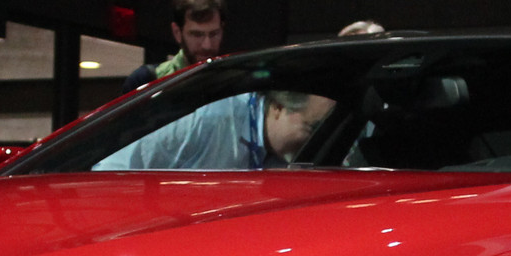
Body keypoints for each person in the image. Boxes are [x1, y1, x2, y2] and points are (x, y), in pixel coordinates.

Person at [94, 90, 336, 170]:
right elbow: (113, 169)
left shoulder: (276, 158)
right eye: (311, 127)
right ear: (278, 108)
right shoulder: (206, 118)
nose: (317, 138)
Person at [122, 0, 227, 90]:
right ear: (177, 33)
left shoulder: (234, 84)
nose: (207, 45)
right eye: (197, 35)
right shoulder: (145, 81)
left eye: (214, 34)